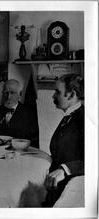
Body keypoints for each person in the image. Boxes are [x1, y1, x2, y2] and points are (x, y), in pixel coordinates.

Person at [43, 74, 84, 207]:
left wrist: (65, 169)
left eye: (57, 92)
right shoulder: (69, 116)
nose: (53, 96)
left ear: (71, 95)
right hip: (56, 187)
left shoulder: (84, 118)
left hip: (74, 189)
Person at [0, 79, 39, 147]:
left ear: (20, 94)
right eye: (6, 93)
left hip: (20, 153)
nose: (8, 97)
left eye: (12, 93)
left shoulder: (29, 114)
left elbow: (34, 140)